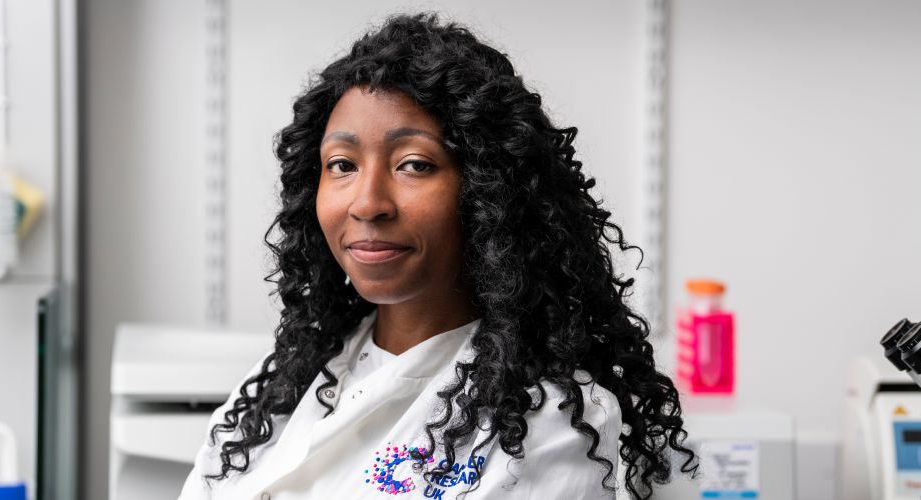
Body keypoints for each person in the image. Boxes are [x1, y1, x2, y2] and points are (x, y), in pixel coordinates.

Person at [179, 12, 696, 500]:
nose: (367, 202)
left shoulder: (551, 424)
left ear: (489, 191)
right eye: (341, 164)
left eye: (414, 165)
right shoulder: (278, 387)